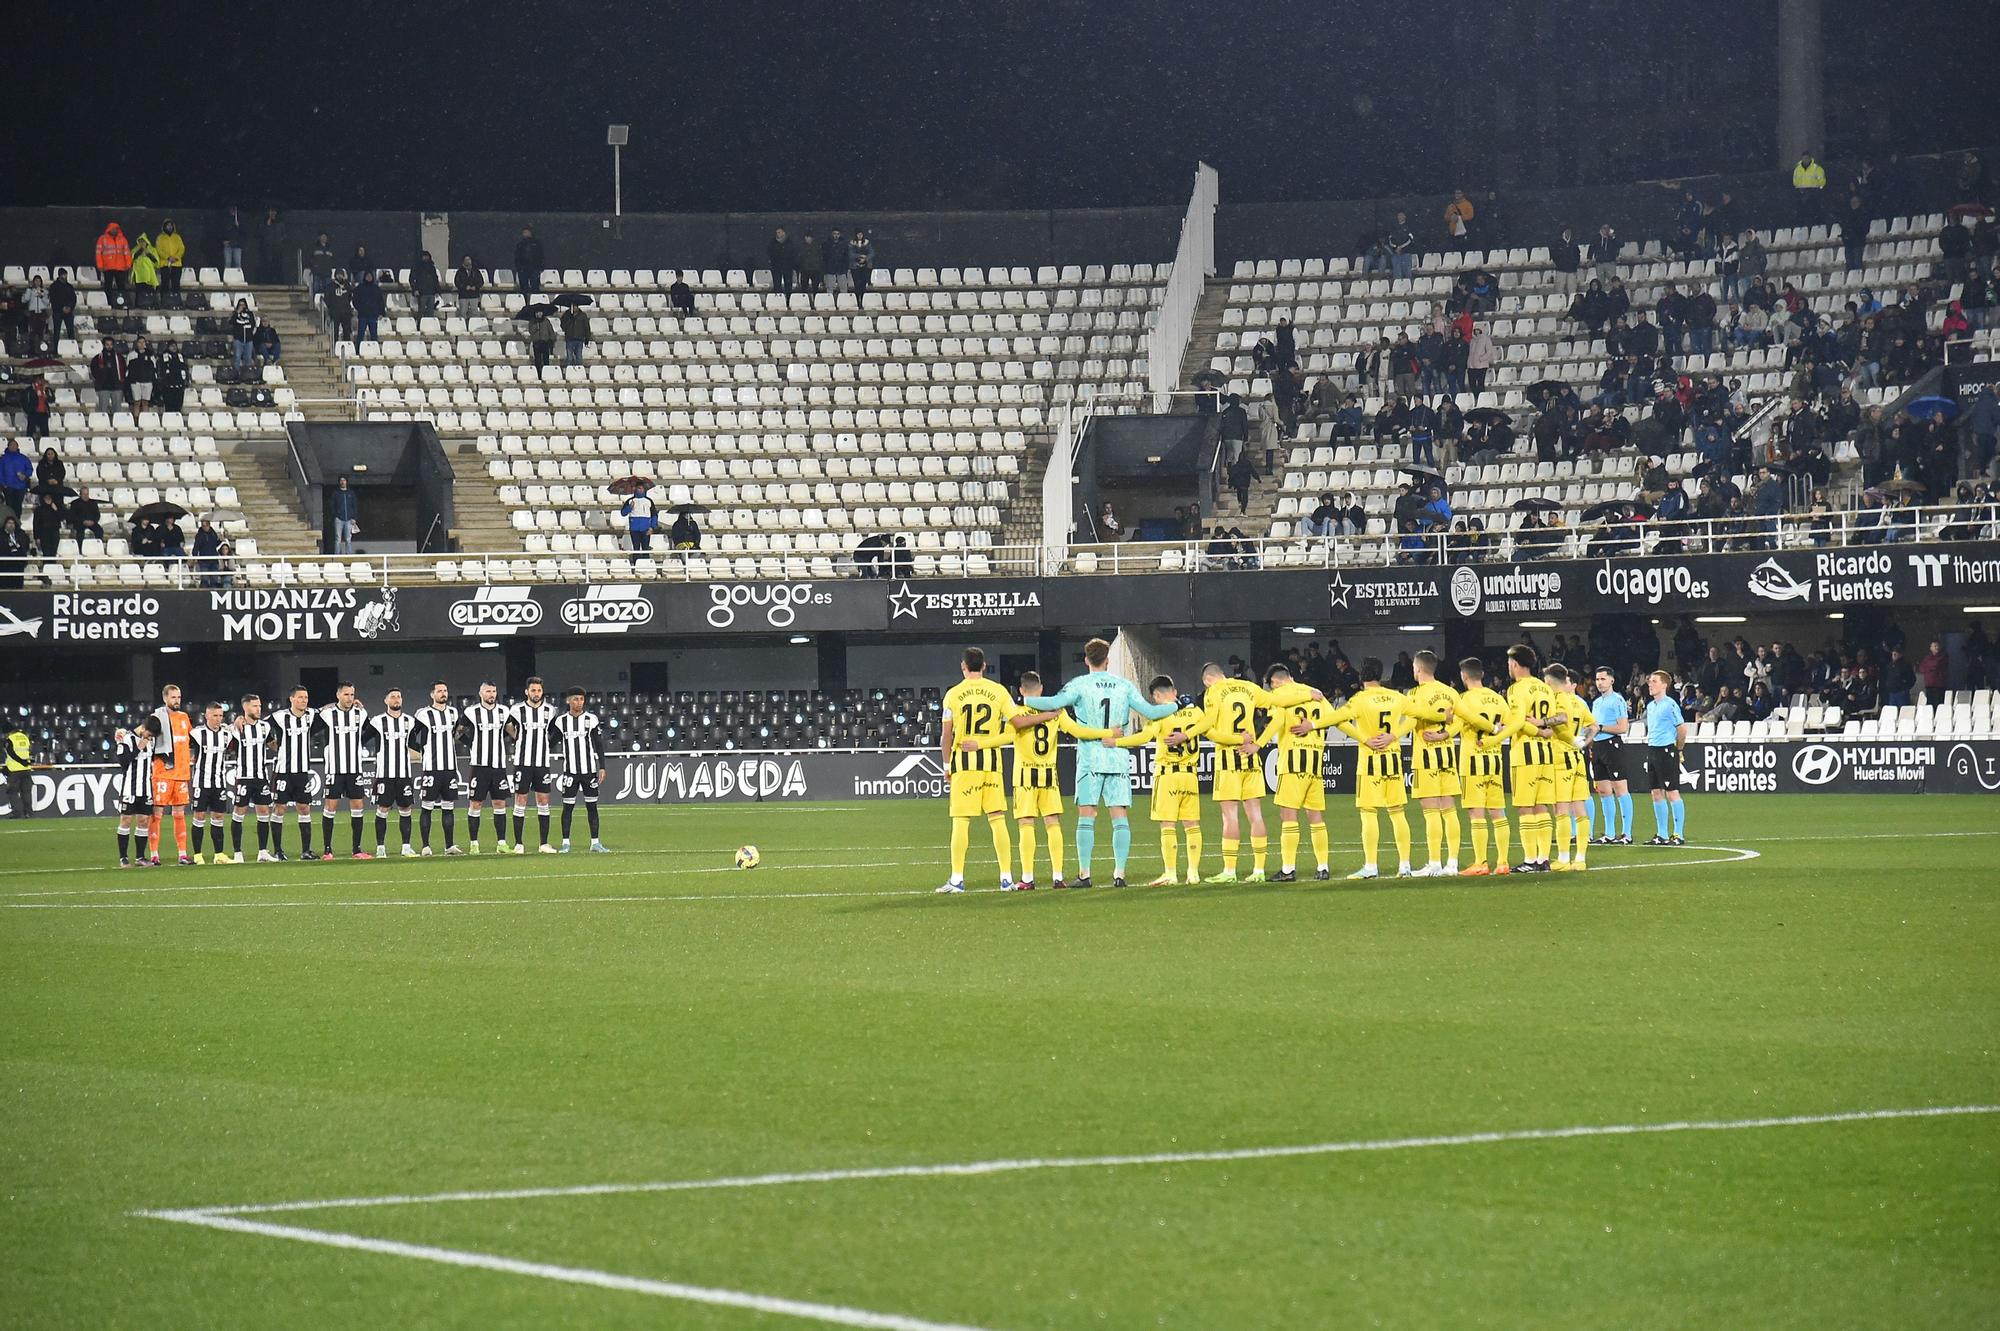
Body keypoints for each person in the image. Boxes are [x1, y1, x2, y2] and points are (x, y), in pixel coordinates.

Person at [1019, 637, 1181, 888]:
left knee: (1087, 816)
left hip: (1091, 758)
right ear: (1108, 660)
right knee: (1119, 817)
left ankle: (1085, 874)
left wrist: (1025, 701)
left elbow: (1052, 704)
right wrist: (1173, 706)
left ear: (1086, 660)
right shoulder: (1124, 686)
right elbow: (1150, 712)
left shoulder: (1079, 685)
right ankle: (1120, 874)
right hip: (1116, 757)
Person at [970, 671, 1118, 890]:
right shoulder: (1056, 713)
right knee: (1053, 824)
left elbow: (1007, 737)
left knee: (1026, 825)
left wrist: (979, 744)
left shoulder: (1018, 713)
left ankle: (1028, 878)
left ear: (1021, 691)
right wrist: (1107, 732)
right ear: (1041, 689)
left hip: (1024, 778)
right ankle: (1058, 876)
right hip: (1049, 776)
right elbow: (1078, 731)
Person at [1106, 678, 1211, 885]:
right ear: (1175, 691)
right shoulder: (1197, 713)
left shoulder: (1161, 716)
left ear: (1156, 696)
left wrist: (1116, 742)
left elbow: (1143, 738)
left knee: (1168, 825)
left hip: (1168, 776)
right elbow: (1212, 729)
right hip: (1190, 776)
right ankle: (1193, 872)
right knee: (1192, 825)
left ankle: (1170, 874)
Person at [1248, 663, 1340, 882]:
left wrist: (1259, 744)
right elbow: (1336, 718)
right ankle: (1323, 867)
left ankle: (1288, 869)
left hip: (1292, 762)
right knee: (1315, 817)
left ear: (1275, 682)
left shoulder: (1281, 695)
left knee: (1288, 816)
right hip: (1316, 763)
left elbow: (1278, 720)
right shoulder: (1315, 694)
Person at [1325, 658, 1415, 878]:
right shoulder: (1397, 697)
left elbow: (1338, 720)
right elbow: (1415, 717)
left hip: (1370, 762)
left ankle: (1371, 866)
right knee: (1397, 813)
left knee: (1368, 813)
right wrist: (1395, 735)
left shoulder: (1360, 699)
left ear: (1361, 675)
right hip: (1392, 759)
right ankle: (1405, 865)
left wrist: (1363, 738)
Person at [1502, 644, 1559, 873]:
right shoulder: (1545, 688)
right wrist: (1544, 729)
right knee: (1541, 806)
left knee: (1525, 808)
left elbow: (1518, 722)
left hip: (1525, 753)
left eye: (1509, 663)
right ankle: (1543, 859)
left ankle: (1529, 859)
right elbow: (1554, 720)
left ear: (1515, 664)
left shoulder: (1516, 689)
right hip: (1545, 754)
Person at [1542, 664, 1595, 872]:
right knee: (1580, 809)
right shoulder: (1579, 702)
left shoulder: (1555, 700)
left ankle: (1563, 858)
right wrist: (1584, 742)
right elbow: (1594, 726)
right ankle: (1580, 858)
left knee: (1561, 810)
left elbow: (1559, 721)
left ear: (1548, 681)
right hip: (1577, 758)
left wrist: (1541, 721)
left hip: (1559, 758)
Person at [317, 681, 373, 860]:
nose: (350, 698)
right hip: (335, 769)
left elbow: (370, 731)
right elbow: (310, 716)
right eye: (346, 694)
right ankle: (327, 850)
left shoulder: (360, 713)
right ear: (338, 695)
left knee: (358, 806)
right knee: (330, 807)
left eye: (352, 694)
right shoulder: (328, 713)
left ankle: (357, 849)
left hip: (355, 768)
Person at [459, 681, 515, 854]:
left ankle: (502, 843)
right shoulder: (471, 712)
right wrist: (473, 744)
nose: (491, 694)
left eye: (494, 691)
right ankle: (474, 843)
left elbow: (511, 732)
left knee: (500, 803)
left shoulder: (504, 711)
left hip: (498, 766)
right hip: (479, 766)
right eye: (488, 691)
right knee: (476, 804)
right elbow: (459, 732)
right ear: (481, 693)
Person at [554, 686, 609, 853]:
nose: (579, 702)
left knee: (592, 807)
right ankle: (565, 843)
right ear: (568, 700)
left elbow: (598, 744)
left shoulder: (591, 719)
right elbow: (550, 742)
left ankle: (595, 843)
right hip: (570, 771)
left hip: (589, 771)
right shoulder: (560, 721)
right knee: (567, 807)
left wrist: (602, 767)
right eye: (576, 699)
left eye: (581, 699)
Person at [509, 677, 561, 854]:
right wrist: (517, 740)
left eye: (539, 690)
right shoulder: (517, 710)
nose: (536, 693)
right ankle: (518, 843)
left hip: (542, 763)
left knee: (543, 801)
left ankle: (544, 843)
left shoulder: (550, 710)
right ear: (526, 692)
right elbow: (508, 727)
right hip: (522, 763)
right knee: (520, 801)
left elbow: (556, 731)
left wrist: (547, 744)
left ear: (542, 691)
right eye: (533, 690)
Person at [146, 683, 195, 866]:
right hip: (163, 772)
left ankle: (182, 854)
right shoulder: (157, 717)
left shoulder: (184, 718)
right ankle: (154, 854)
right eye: (173, 697)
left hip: (182, 772)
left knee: (179, 814)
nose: (177, 700)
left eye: (179, 697)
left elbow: (191, 741)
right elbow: (144, 731)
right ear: (165, 698)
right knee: (157, 814)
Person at [413, 681, 463, 856]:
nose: (443, 693)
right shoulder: (423, 714)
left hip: (449, 767)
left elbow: (456, 733)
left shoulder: (453, 712)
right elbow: (411, 736)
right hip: (431, 768)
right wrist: (423, 751)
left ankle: (449, 845)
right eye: (439, 691)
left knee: (448, 807)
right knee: (427, 807)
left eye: (445, 690)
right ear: (432, 694)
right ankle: (425, 846)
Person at [186, 701, 237, 864]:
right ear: (206, 716)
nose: (218, 719)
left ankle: (219, 854)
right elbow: (184, 749)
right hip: (201, 782)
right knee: (199, 816)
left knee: (218, 816)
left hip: (219, 783)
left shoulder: (227, 734)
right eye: (215, 715)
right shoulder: (196, 734)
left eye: (221, 716)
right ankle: (198, 854)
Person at [1588, 666, 1633, 846]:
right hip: (1598, 747)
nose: (1599, 683)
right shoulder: (1597, 702)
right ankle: (1609, 832)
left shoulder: (1618, 700)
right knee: (1604, 791)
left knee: (1621, 789)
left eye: (1603, 679)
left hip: (1612, 745)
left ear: (1611, 680)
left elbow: (1623, 728)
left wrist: (1601, 728)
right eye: (1597, 679)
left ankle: (1627, 833)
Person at [228, 693, 277, 861]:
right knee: (239, 812)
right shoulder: (235, 728)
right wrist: (236, 720)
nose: (259, 709)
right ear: (245, 707)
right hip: (243, 777)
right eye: (255, 706)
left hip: (261, 777)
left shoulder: (265, 727)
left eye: (259, 706)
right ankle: (237, 853)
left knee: (264, 812)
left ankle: (263, 852)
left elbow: (273, 744)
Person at [1642, 669, 1688, 845]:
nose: (1650, 684)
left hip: (1667, 750)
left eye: (1654, 681)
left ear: (1664, 685)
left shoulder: (1670, 704)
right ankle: (1661, 833)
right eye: (1649, 682)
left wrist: (1679, 749)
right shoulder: (1651, 706)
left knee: (1672, 792)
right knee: (1655, 793)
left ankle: (1678, 834)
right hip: (1653, 750)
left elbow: (1682, 728)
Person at [112, 717, 157, 867]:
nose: (150, 738)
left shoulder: (151, 741)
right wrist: (138, 747)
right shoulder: (126, 738)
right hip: (129, 789)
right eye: (149, 735)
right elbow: (122, 762)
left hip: (146, 789)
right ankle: (123, 857)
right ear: (143, 728)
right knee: (126, 820)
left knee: (144, 821)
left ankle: (140, 857)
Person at [3, 715, 31, 819]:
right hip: (26, 769)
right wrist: (25, 762)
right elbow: (28, 750)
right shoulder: (25, 737)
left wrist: (21, 761)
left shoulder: (10, 739)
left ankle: (17, 814)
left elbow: (11, 753)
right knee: (26, 792)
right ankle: (28, 813)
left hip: (15, 770)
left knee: (12, 792)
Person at [94, 222, 132, 299]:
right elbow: (98, 253)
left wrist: (128, 264)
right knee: (108, 286)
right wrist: (100, 265)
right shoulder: (102, 239)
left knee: (121, 286)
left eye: (116, 229)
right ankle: (108, 301)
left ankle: (122, 302)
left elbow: (127, 253)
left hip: (120, 267)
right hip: (108, 267)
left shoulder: (123, 239)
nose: (114, 230)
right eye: (113, 229)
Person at [1792, 152, 1827, 223]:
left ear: (1810, 158)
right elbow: (1795, 182)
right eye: (1804, 158)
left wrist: (1817, 188)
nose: (1805, 160)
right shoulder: (1797, 169)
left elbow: (1822, 181)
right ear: (1801, 159)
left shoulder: (1816, 168)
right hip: (1802, 195)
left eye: (1807, 158)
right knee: (1803, 214)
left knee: (1815, 213)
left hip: (1814, 194)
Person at [353, 272, 386, 344]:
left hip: (373, 316)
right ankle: (358, 350)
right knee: (360, 335)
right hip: (363, 315)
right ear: (364, 277)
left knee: (374, 335)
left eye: (370, 276)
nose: (369, 277)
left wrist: (382, 313)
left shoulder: (376, 288)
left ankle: (375, 350)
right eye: (367, 276)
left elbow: (381, 302)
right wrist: (360, 308)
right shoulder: (360, 288)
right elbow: (355, 300)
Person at [0, 442, 29, 521]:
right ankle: (9, 522)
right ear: (8, 446)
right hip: (8, 487)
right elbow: (0, 472)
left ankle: (17, 523)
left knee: (18, 506)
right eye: (11, 445)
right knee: (9, 506)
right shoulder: (3, 459)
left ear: (17, 447)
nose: (13, 447)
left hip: (20, 486)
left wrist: (25, 475)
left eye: (15, 445)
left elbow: (29, 469)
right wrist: (3, 483)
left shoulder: (23, 458)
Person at [622, 486, 657, 551]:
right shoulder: (630, 501)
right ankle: (636, 561)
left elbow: (654, 515)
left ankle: (646, 561)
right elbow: (623, 513)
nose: (641, 490)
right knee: (636, 549)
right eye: (639, 488)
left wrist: (652, 527)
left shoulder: (649, 501)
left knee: (646, 549)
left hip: (646, 529)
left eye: (642, 488)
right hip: (634, 529)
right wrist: (630, 507)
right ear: (635, 489)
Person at [331, 476, 359, 554]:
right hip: (339, 519)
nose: (342, 482)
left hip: (349, 519)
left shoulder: (351, 493)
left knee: (348, 538)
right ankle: (337, 555)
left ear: (347, 482)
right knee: (338, 538)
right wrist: (335, 515)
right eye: (341, 480)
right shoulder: (336, 493)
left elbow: (354, 506)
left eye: (344, 480)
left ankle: (348, 555)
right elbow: (332, 505)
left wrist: (354, 517)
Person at [514, 226, 545, 296]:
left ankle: (535, 302)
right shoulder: (520, 244)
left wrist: (541, 267)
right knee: (524, 288)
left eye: (526, 232)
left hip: (534, 268)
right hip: (523, 269)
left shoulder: (537, 244)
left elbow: (541, 255)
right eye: (524, 232)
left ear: (530, 232)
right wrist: (519, 267)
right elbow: (517, 256)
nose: (524, 234)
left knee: (535, 288)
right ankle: (524, 302)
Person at [767, 227, 798, 297]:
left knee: (788, 286)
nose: (777, 234)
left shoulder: (789, 242)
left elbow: (793, 254)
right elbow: (770, 253)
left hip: (787, 267)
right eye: (777, 233)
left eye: (779, 232)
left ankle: (788, 300)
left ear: (783, 233)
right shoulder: (773, 243)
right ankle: (778, 300)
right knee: (777, 285)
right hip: (776, 267)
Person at [324, 274, 355, 345]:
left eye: (341, 275)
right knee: (335, 331)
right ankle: (334, 347)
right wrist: (331, 308)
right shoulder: (330, 286)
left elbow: (350, 296)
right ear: (335, 276)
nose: (340, 276)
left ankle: (347, 348)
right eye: (338, 275)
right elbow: (327, 299)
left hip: (346, 312)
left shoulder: (347, 285)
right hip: (335, 312)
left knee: (347, 331)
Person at [0, 516, 29, 590]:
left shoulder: (20, 534)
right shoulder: (1, 534)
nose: (11, 525)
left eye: (13, 523)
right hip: (5, 564)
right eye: (9, 523)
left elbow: (25, 544)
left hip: (18, 564)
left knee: (18, 585)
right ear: (5, 524)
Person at [49, 269, 77, 345]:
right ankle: (55, 349)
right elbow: (53, 299)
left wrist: (70, 307)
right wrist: (62, 307)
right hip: (58, 312)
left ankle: (72, 347)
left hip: (69, 312)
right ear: (60, 275)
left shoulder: (69, 286)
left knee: (70, 331)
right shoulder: (54, 286)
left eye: (66, 274)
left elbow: (73, 299)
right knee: (57, 331)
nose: (65, 276)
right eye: (63, 275)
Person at [1918, 640, 1948, 706]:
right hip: (1929, 685)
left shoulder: (1943, 656)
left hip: (1939, 685)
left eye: (1937, 646)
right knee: (1930, 705)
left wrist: (1928, 666)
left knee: (1938, 704)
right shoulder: (1927, 658)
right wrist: (1930, 667)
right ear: (1930, 648)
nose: (1936, 648)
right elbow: (1922, 668)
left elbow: (1936, 664)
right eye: (1934, 646)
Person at [229, 298, 256, 371]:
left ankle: (246, 374)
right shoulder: (235, 314)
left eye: (243, 305)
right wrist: (237, 312)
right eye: (240, 305)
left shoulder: (250, 314)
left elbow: (253, 324)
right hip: (238, 339)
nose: (242, 306)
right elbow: (231, 322)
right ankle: (236, 374)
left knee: (248, 358)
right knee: (237, 357)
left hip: (248, 340)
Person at [848, 230, 874, 301]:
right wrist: (859, 256)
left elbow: (871, 253)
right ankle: (857, 300)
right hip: (855, 267)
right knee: (856, 284)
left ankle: (863, 300)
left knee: (863, 285)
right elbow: (850, 254)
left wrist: (865, 259)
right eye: (858, 234)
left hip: (865, 267)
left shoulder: (867, 243)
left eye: (861, 234)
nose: (860, 236)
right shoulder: (852, 243)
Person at [527, 305, 555, 370]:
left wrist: (551, 340)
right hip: (537, 343)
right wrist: (536, 325)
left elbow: (551, 331)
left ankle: (546, 373)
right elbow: (531, 331)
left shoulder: (546, 321)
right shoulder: (532, 321)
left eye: (540, 312)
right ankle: (539, 374)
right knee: (538, 361)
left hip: (545, 342)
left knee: (546, 361)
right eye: (538, 312)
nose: (539, 314)